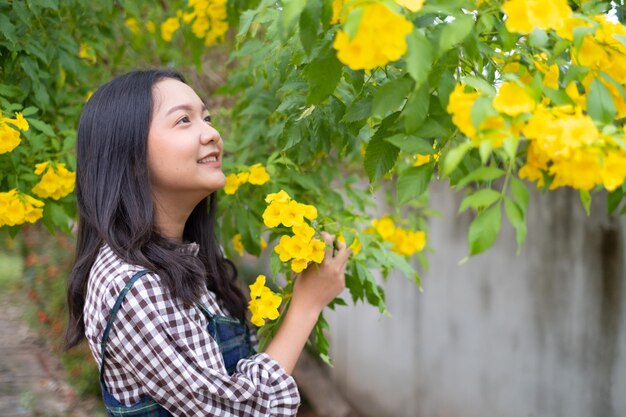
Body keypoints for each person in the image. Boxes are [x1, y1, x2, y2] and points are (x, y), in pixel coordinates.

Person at [63, 69, 350, 417]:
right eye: (184, 120)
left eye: (208, 118)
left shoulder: (186, 257)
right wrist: (306, 304)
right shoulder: (131, 284)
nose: (212, 133)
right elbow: (240, 412)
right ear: (131, 156)